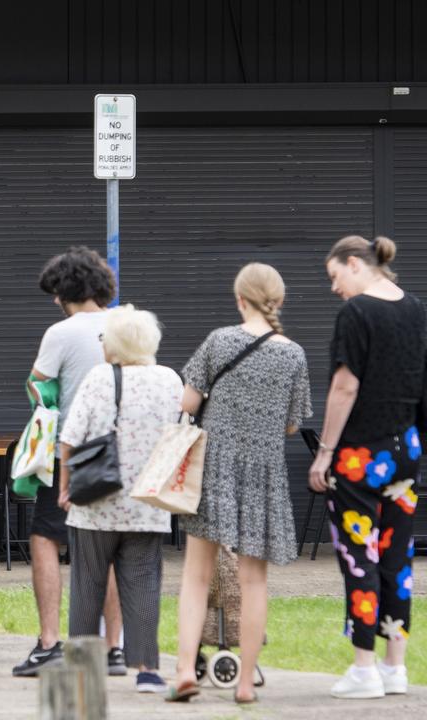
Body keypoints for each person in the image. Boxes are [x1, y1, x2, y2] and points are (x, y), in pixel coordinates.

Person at [169, 263, 311, 704]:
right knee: (254, 582)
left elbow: (188, 401)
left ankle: (183, 673)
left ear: (240, 299)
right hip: (264, 474)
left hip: (214, 468)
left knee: (196, 577)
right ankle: (246, 684)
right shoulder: (294, 354)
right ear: (279, 301)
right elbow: (292, 425)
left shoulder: (219, 340)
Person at [308, 236, 424, 699]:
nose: (335, 288)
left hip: (359, 455)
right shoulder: (416, 308)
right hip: (405, 450)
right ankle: (396, 666)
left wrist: (325, 452)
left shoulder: (356, 314)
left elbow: (344, 387)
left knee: (359, 556)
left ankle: (363, 668)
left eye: (335, 277)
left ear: (354, 264)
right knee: (397, 557)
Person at [14, 246, 127, 678]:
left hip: (74, 452)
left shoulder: (61, 333)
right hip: (121, 450)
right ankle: (113, 648)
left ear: (64, 291)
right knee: (111, 549)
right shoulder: (124, 324)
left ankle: (49, 643)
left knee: (46, 538)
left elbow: (39, 387)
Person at [57, 304, 181, 693]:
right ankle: (147, 670)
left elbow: (70, 439)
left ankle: (82, 672)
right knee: (144, 583)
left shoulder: (99, 378)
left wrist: (65, 487)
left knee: (87, 584)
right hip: (147, 503)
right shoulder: (170, 380)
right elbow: (181, 436)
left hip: (96, 502)